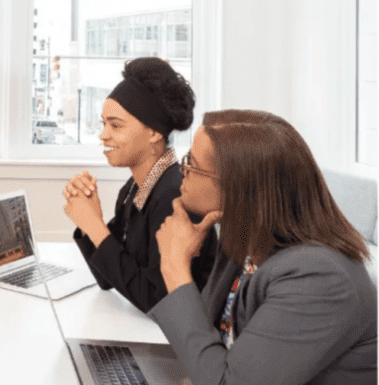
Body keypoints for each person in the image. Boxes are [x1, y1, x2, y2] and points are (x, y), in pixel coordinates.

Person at [151, 110, 377, 385]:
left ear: (238, 188)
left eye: (191, 163)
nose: (182, 172)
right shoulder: (243, 243)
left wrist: (174, 267)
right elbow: (208, 353)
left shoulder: (320, 279)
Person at [63, 57, 216, 312]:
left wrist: (94, 225)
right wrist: (89, 221)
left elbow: (158, 301)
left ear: (154, 132)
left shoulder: (174, 196)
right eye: (103, 123)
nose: (103, 134)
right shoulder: (134, 189)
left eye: (115, 125)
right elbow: (108, 277)